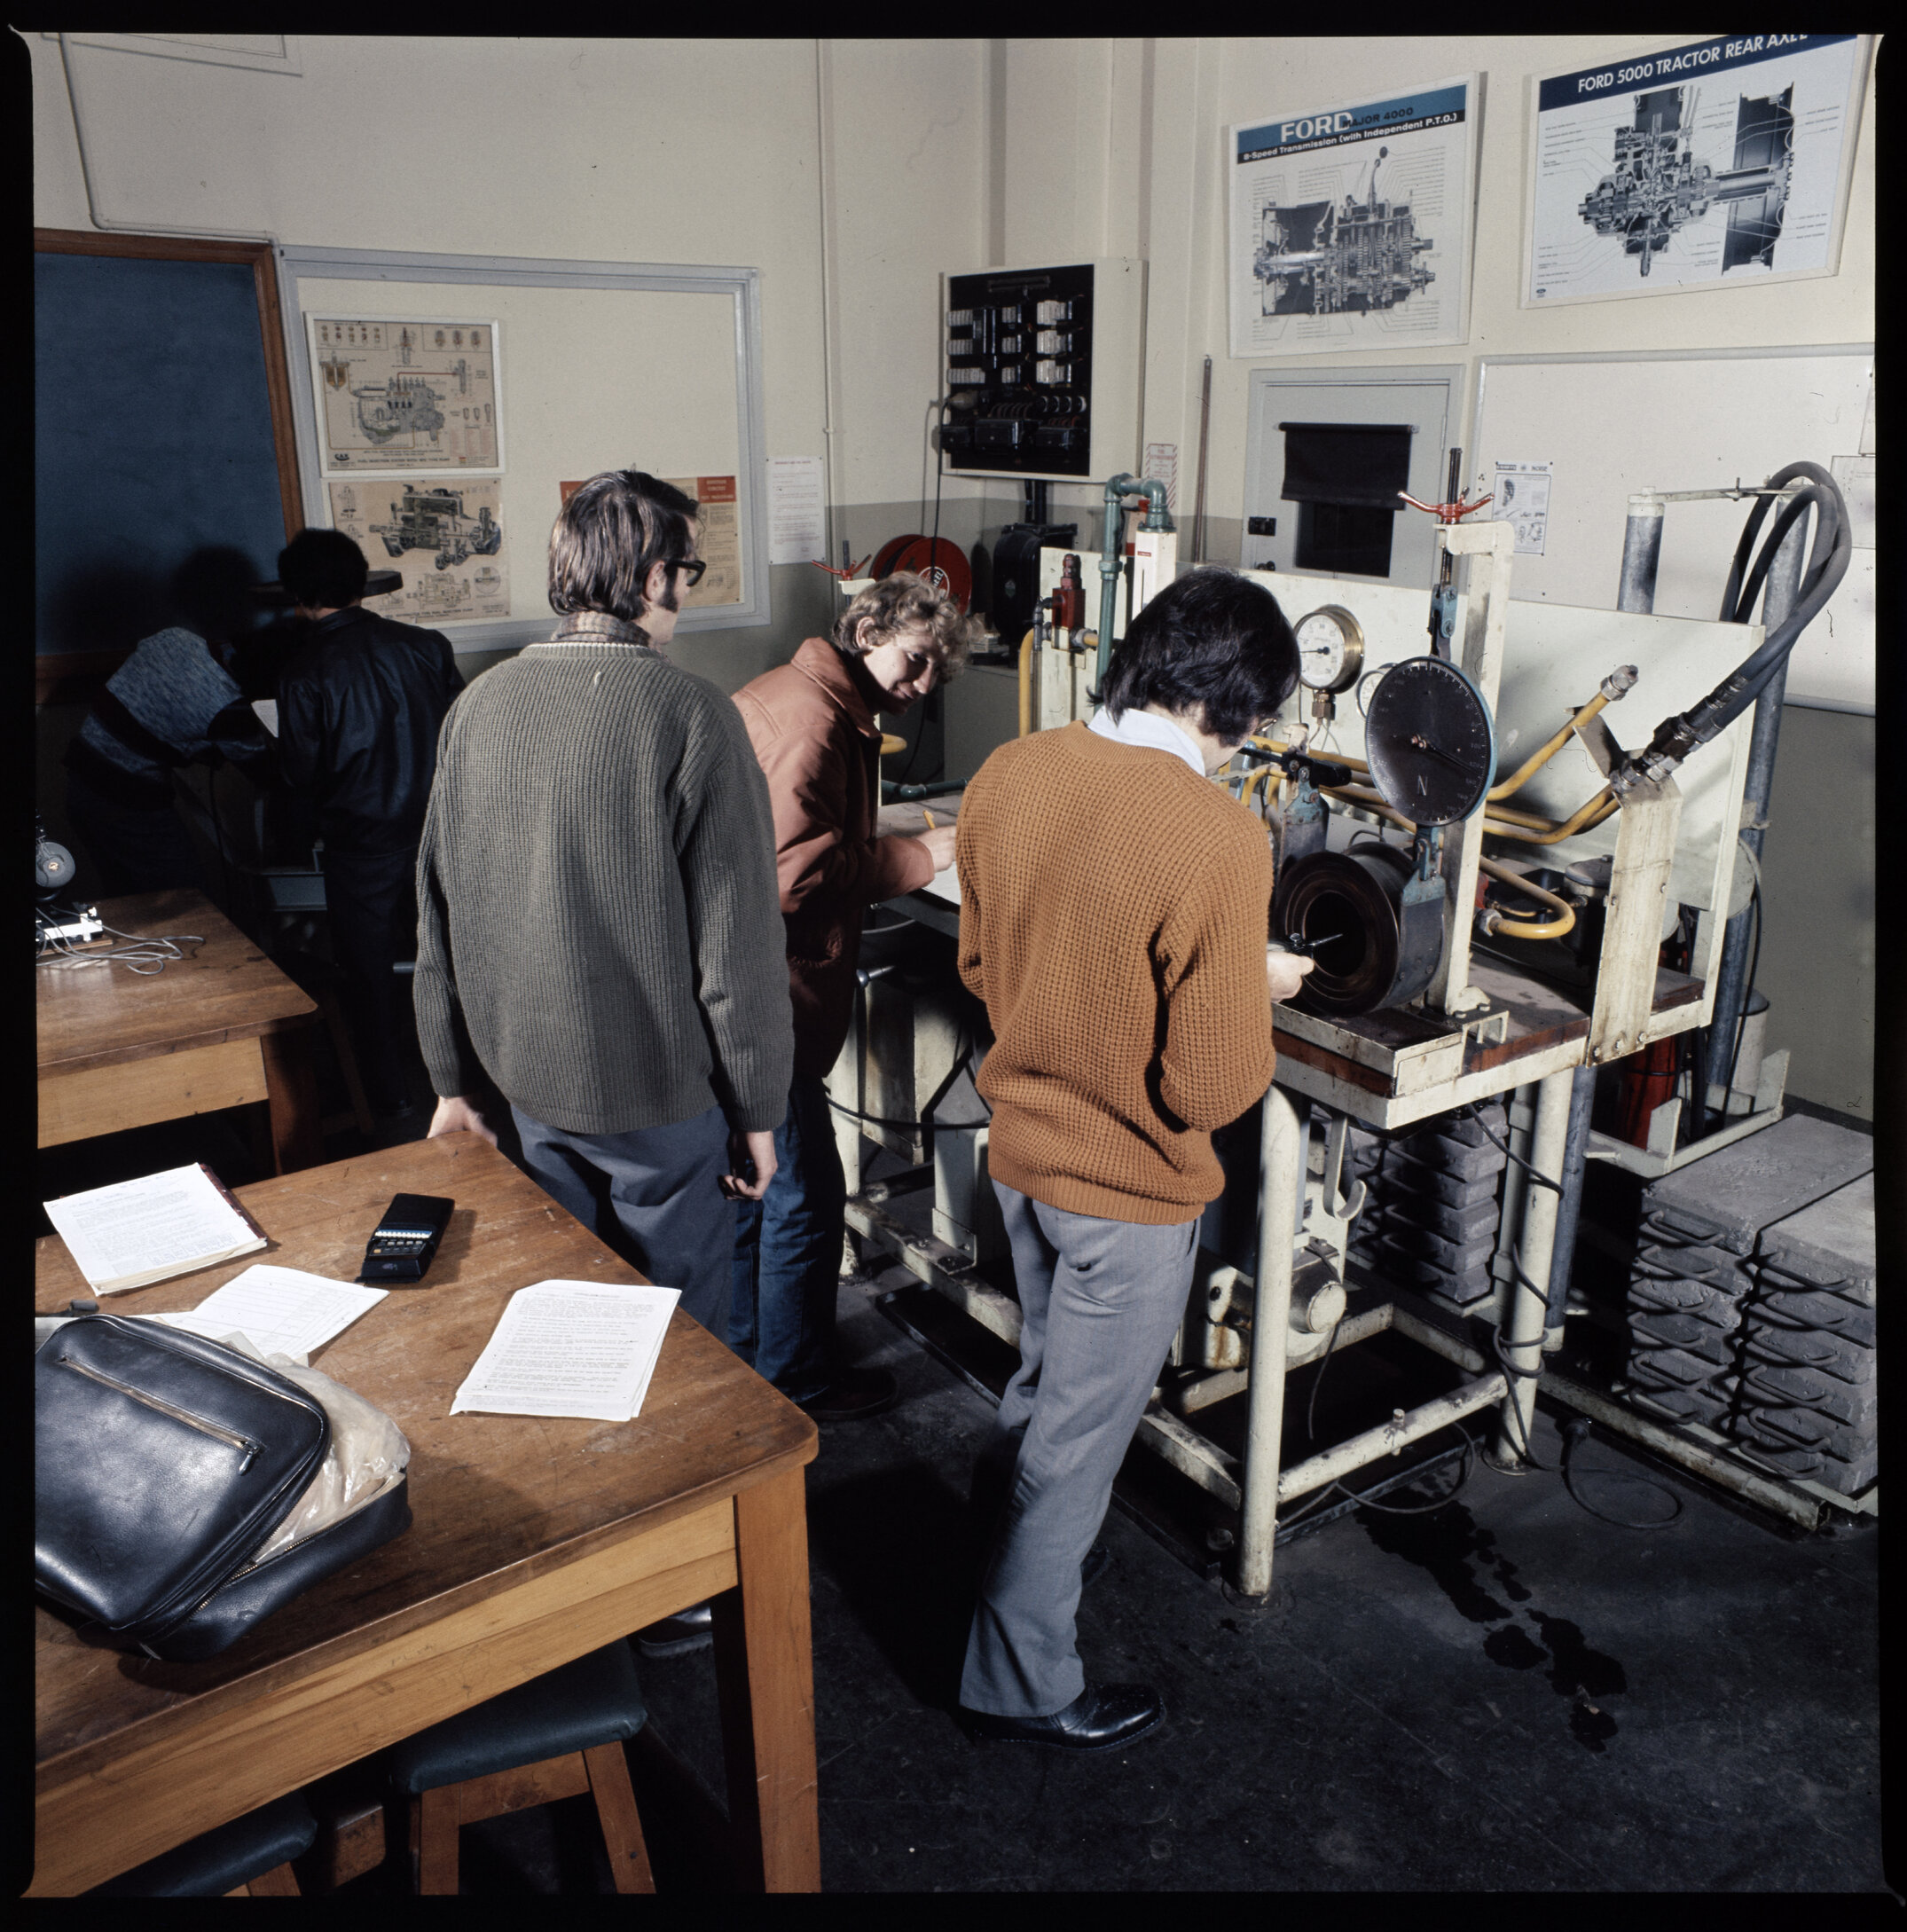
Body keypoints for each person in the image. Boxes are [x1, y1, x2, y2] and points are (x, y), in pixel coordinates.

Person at [951, 566, 1312, 1753]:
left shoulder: (1012, 769)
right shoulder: (1217, 830)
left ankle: (998, 1564)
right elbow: (1206, 1085)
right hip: (1129, 1193)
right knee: (1078, 1439)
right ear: (1240, 710)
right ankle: (1022, 1677)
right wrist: (1241, 991)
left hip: (1018, 1158)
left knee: (1039, 1390)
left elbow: (981, 964)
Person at [414, 467, 793, 1347]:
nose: (684, 594)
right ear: (655, 576)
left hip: (527, 1087)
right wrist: (759, 1113)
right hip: (655, 1097)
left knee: (569, 1309)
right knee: (681, 1336)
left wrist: (450, 1081)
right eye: (688, 572)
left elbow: (435, 914)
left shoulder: (477, 706)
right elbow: (734, 950)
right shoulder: (692, 713)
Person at [731, 573, 978, 1420]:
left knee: (766, 1192)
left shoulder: (800, 695)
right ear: (866, 626)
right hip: (774, 993)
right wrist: (924, 858)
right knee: (804, 1199)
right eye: (912, 665)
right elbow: (796, 875)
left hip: (759, 987)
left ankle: (754, 1361)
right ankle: (797, 1382)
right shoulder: (814, 721)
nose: (915, 691)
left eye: (929, 678)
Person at [276, 529, 465, 1117]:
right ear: (361, 582)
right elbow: (462, 738)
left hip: (361, 847)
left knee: (369, 980)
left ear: (297, 595)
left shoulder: (302, 671)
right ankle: (468, 1089)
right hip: (440, 836)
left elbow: (300, 777)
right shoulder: (427, 646)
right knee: (455, 961)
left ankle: (391, 1102)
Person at [62, 546, 279, 899]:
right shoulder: (228, 711)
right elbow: (269, 777)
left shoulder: (174, 639)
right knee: (184, 901)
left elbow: (159, 711)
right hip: (125, 800)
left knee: (132, 899)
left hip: (83, 783)